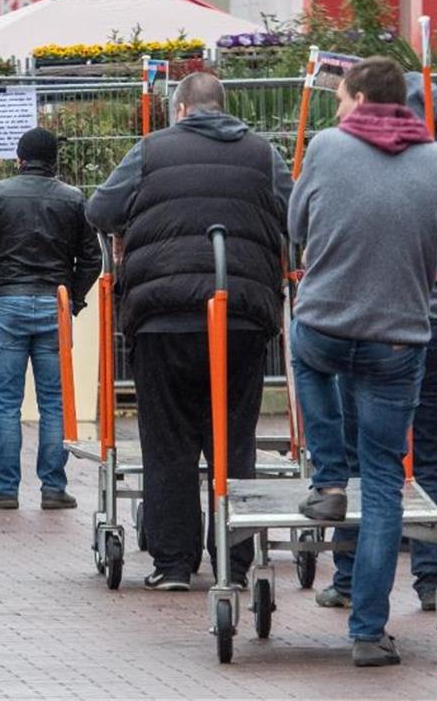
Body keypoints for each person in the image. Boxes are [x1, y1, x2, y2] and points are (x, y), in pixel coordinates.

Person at [87, 72, 292, 591]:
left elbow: (100, 209)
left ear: (179, 111)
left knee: (168, 440)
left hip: (163, 317)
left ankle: (174, 564)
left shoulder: (151, 151)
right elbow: (299, 215)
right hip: (242, 315)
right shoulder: (263, 154)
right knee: (234, 440)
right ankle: (235, 561)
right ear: (224, 107)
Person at [288, 57, 437, 666]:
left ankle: (329, 475)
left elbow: (297, 224)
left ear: (359, 98)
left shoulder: (327, 147)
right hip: (398, 335)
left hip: (326, 322)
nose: (337, 107)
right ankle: (368, 632)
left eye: (339, 96)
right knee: (387, 480)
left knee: (304, 356)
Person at [0, 127, 101, 510]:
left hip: (7, 300)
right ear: (54, 161)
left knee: (6, 401)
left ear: (20, 159)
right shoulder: (73, 199)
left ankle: (5, 488)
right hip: (53, 303)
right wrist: (72, 299)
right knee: (54, 402)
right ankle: (53, 487)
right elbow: (91, 258)